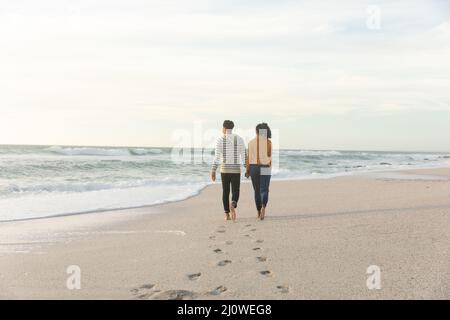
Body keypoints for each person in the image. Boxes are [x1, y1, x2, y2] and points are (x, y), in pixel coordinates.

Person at [211, 120, 247, 221]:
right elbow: (244, 156)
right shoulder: (239, 139)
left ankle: (227, 215)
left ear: (224, 128)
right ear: (232, 128)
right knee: (236, 190)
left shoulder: (220, 139)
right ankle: (233, 203)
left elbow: (217, 157)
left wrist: (213, 170)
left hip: (224, 170)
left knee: (225, 192)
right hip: (236, 170)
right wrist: (247, 168)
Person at [246, 123, 272, 220]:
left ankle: (258, 211)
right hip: (265, 167)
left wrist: (247, 170)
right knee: (264, 189)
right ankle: (264, 207)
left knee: (256, 190)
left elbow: (248, 158)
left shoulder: (251, 142)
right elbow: (270, 158)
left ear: (256, 131)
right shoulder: (269, 143)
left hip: (254, 168)